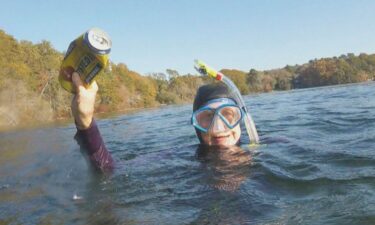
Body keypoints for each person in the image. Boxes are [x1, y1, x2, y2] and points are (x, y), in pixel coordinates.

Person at [71, 72, 248, 173]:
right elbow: (110, 169)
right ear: (197, 127)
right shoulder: (181, 159)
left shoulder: (268, 148)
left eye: (228, 115)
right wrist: (85, 123)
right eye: (207, 117)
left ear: (241, 119)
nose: (219, 127)